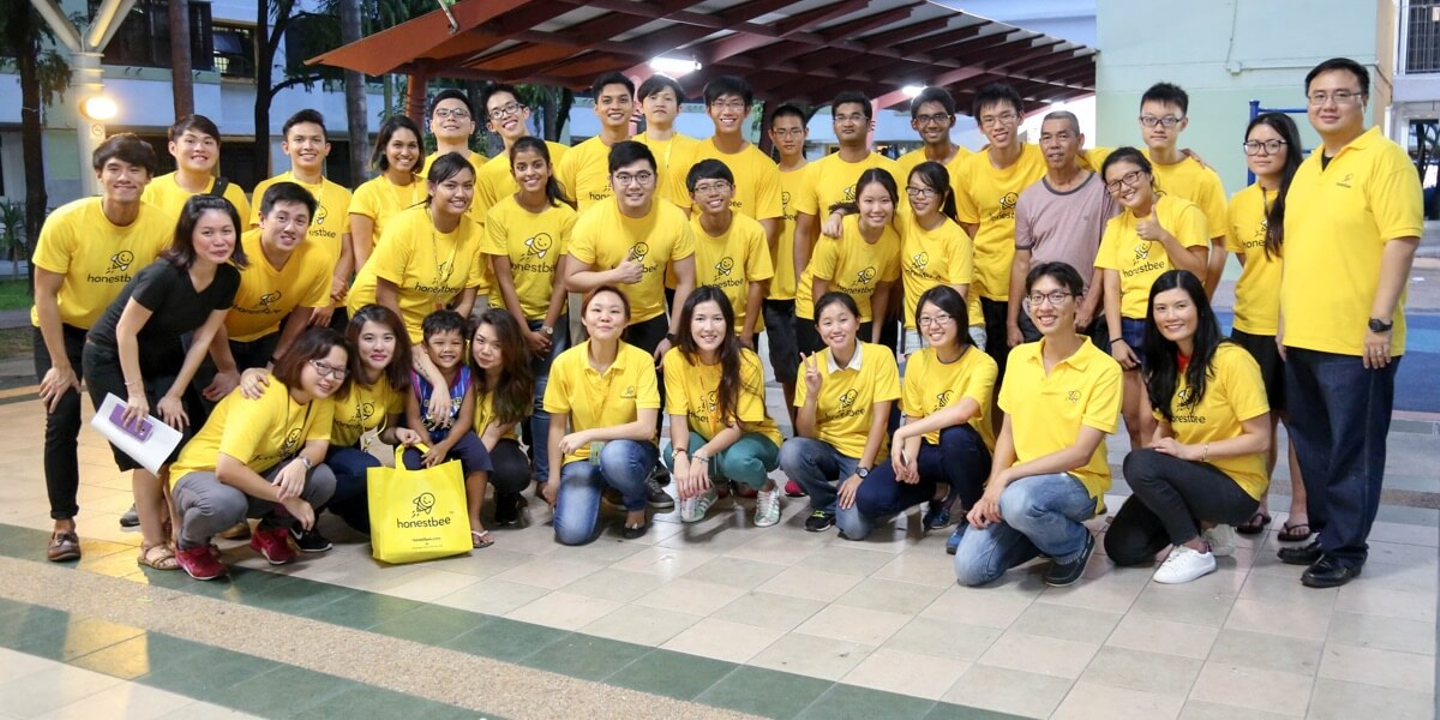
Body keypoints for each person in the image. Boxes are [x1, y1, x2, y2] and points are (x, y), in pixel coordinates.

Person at [1277, 58, 1421, 588]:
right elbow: (1297, 251)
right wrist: (1285, 320)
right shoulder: (1308, 168)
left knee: (1352, 448)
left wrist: (1379, 322)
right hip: (1304, 335)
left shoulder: (1385, 160)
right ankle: (1326, 532)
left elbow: (1401, 241)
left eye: (1341, 94)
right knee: (1313, 445)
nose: (1329, 104)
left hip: (1359, 340)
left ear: (1364, 100)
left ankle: (1346, 548)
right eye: (1318, 95)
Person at [81, 195, 245, 571]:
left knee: (180, 441)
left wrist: (174, 394)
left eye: (226, 231)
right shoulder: (162, 275)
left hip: (162, 356)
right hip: (110, 358)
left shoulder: (227, 278)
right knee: (149, 451)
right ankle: (151, 542)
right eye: (208, 232)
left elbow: (203, 339)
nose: (219, 240)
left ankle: (182, 537)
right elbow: (124, 331)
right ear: (189, 235)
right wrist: (136, 393)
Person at [32, 133, 171, 562]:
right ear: (98, 174)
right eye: (114, 168)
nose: (124, 177)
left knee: (136, 419)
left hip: (120, 334)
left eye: (134, 169)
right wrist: (61, 365)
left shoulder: (161, 224)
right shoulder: (67, 221)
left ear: (148, 178)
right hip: (66, 330)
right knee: (62, 417)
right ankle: (63, 525)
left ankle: (156, 514)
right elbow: (44, 295)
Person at [952, 262, 1121, 587]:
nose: (1045, 306)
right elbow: (1008, 433)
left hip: (1077, 482)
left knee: (1019, 501)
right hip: (1021, 487)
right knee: (971, 569)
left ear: (1078, 302)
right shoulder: (1019, 358)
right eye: (1037, 298)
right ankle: (1040, 532)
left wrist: (1007, 477)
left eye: (1057, 296)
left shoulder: (1104, 369)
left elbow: (1081, 453)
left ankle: (1073, 545)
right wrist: (991, 489)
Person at [1105, 270, 1271, 583]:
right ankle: (1209, 527)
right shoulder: (1164, 365)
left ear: (1200, 309)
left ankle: (1195, 548)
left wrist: (1188, 452)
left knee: (1138, 462)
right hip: (1192, 477)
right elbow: (1165, 428)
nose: (1170, 316)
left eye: (1180, 306)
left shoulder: (1232, 360)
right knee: (1123, 548)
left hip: (1236, 488)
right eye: (1161, 308)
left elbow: (1260, 439)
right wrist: (1156, 467)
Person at [168, 328, 345, 580]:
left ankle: (270, 534)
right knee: (227, 503)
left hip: (251, 474)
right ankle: (189, 546)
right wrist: (287, 499)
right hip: (202, 473)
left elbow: (317, 445)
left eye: (339, 371)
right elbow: (227, 469)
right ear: (300, 359)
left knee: (321, 479)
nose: (330, 378)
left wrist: (301, 463)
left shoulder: (321, 398)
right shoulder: (263, 394)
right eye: (323, 367)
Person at [238, 304, 421, 542]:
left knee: (371, 524)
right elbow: (289, 377)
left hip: (346, 452)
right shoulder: (337, 373)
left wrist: (399, 433)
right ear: (354, 342)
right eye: (369, 338)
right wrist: (250, 373)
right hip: (310, 448)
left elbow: (385, 433)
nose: (379, 346)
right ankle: (288, 518)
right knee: (366, 468)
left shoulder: (393, 381)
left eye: (388, 338)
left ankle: (320, 505)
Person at [843, 286, 994, 541]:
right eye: (925, 319)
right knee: (870, 499)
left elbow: (963, 412)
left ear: (959, 318)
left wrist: (902, 433)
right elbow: (914, 415)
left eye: (942, 317)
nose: (933, 326)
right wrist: (910, 458)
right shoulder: (917, 361)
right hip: (929, 451)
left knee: (954, 435)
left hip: (968, 454)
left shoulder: (982, 362)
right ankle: (939, 491)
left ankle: (970, 512)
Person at [1228, 112, 1309, 541]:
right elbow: (1249, 261)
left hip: (1298, 329)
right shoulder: (1240, 202)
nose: (1261, 152)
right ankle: (1257, 503)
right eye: (1253, 145)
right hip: (1248, 326)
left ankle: (1300, 508)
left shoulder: (1305, 197)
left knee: (1298, 423)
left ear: (1289, 148)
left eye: (1271, 144)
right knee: (1258, 422)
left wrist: (1287, 316)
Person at [1096, 147, 1209, 451]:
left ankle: (1162, 476)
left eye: (1131, 176)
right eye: (1114, 183)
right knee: (1133, 419)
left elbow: (1199, 272)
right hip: (1130, 328)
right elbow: (1111, 288)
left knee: (1155, 420)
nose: (1124, 187)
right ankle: (1142, 478)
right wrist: (1116, 339)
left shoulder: (1183, 211)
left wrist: (1163, 236)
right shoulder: (1115, 226)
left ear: (1148, 174)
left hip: (1169, 326)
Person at [483, 137, 576, 494]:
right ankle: (498, 471)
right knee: (506, 391)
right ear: (513, 172)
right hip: (507, 319)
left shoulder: (565, 215)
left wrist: (547, 328)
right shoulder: (499, 214)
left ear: (549, 168)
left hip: (551, 317)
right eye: (521, 167)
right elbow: (503, 278)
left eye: (537, 165)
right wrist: (522, 331)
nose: (530, 172)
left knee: (544, 396)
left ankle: (542, 473)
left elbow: (563, 279)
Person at [542, 287, 662, 543]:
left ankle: (636, 503)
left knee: (614, 456)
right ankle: (606, 487)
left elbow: (646, 428)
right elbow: (556, 427)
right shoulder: (564, 363)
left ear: (626, 321)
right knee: (571, 534)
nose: (605, 317)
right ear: (584, 319)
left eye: (614, 312)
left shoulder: (641, 361)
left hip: (630, 451)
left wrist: (589, 434)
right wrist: (553, 479)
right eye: (596, 310)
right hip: (584, 456)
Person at [779, 292, 900, 533]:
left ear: (857, 321)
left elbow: (882, 420)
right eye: (827, 323)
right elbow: (805, 433)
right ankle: (826, 503)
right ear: (818, 329)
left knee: (854, 529)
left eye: (843, 320)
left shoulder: (880, 356)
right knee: (790, 452)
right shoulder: (810, 366)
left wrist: (860, 473)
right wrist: (811, 395)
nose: (836, 329)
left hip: (862, 453)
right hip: (826, 450)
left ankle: (865, 494)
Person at [662, 287, 784, 525]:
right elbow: (677, 417)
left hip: (751, 437)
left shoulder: (746, 361)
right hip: (707, 437)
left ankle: (767, 488)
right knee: (672, 453)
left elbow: (738, 426)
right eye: (700, 319)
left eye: (717, 319)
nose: (709, 328)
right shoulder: (675, 359)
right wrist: (681, 454)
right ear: (688, 323)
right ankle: (705, 489)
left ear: (728, 323)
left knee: (736, 461)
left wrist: (703, 454)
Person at [952, 83, 1049, 374]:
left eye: (1006, 116)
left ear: (1020, 117)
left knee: (1036, 370)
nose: (998, 125)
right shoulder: (968, 170)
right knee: (993, 371)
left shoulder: (1043, 157)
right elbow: (971, 229)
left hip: (1036, 283)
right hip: (988, 285)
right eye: (989, 120)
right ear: (981, 127)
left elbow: (1094, 158)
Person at [204, 183, 331, 401]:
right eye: (281, 218)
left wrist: (275, 361)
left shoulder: (318, 258)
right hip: (212, 337)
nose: (290, 228)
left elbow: (301, 314)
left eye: (300, 221)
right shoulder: (232, 255)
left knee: (264, 401)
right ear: (262, 219)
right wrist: (228, 369)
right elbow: (211, 320)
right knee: (219, 405)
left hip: (265, 336)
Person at [793, 91, 902, 337]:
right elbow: (802, 231)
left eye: (855, 116)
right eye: (841, 118)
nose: (848, 122)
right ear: (834, 125)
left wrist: (897, 288)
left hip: (874, 293)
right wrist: (801, 280)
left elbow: (902, 227)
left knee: (875, 357)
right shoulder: (816, 171)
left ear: (869, 123)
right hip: (827, 287)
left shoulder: (893, 170)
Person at [347, 152, 485, 344]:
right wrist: (410, 346)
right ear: (431, 188)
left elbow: (466, 302)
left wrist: (444, 341)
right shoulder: (404, 225)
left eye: (467, 186)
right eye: (451, 185)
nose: (461, 194)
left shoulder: (476, 233)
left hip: (428, 324)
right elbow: (384, 295)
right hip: (379, 314)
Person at [1009, 111, 1118, 349]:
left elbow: (1109, 256)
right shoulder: (1028, 198)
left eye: (1062, 136)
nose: (1054, 145)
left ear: (1079, 141)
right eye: (1047, 138)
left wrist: (1089, 306)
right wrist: (1011, 322)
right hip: (1039, 313)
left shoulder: (1103, 191)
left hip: (1086, 313)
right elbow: (1021, 263)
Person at [402, 310, 497, 549]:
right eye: (439, 343)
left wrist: (444, 446)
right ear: (425, 347)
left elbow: (465, 420)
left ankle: (473, 517)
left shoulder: (467, 375)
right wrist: (429, 447)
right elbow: (412, 418)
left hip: (453, 434)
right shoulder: (414, 377)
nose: (448, 349)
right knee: (413, 464)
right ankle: (431, 519)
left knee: (478, 456)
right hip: (422, 436)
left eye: (455, 343)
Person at [249, 110, 353, 327]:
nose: (308, 146)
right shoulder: (267, 189)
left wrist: (329, 295)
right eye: (299, 140)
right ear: (286, 147)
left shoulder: (343, 195)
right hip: (283, 301)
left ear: (327, 148)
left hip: (332, 303)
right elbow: (259, 245)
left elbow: (348, 251)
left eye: (315, 140)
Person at [667, 76, 783, 245]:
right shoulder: (687, 159)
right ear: (708, 110)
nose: (727, 111)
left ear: (747, 110)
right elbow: (681, 223)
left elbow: (766, 230)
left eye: (735, 104)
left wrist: (740, 258)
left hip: (744, 257)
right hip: (698, 256)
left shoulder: (766, 167)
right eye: (719, 104)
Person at [1137, 83, 1229, 297]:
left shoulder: (1205, 177)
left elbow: (1220, 246)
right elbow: (1075, 151)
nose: (1158, 128)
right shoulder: (1128, 166)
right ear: (1140, 122)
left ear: (1183, 124)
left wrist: (1205, 297)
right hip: (1135, 295)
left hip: (1182, 292)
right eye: (1150, 119)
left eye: (1169, 120)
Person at [795, 169, 900, 353]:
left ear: (895, 203)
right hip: (816, 306)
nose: (877, 209)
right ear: (858, 203)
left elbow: (882, 292)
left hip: (859, 309)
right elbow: (819, 286)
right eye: (869, 201)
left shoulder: (893, 242)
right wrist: (827, 330)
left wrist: (874, 339)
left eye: (885, 201)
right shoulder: (836, 233)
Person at [685, 159, 774, 348]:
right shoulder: (685, 234)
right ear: (692, 196)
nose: (713, 193)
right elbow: (684, 287)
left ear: (733, 190)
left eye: (720, 185)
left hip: (742, 327)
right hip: (702, 327)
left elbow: (757, 283)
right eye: (704, 188)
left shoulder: (752, 230)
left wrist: (747, 334)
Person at [764, 104, 812, 430]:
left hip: (811, 291)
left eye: (795, 131)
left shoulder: (817, 174)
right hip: (773, 290)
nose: (789, 138)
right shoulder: (767, 177)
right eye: (781, 132)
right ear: (771, 135)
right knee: (785, 370)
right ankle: (797, 434)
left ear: (806, 133)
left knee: (814, 369)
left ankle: (817, 436)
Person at [471, 309, 536, 527]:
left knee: (512, 473)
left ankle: (508, 494)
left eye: (497, 345)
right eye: (480, 341)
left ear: (511, 348)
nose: (485, 351)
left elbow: (490, 436)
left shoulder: (520, 385)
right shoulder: (461, 364)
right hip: (458, 437)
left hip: (495, 441)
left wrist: (465, 472)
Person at [472, 83, 570, 220]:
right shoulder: (486, 175)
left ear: (525, 112)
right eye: (496, 113)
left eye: (510, 107)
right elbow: (485, 224)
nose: (506, 115)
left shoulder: (565, 154)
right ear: (491, 126)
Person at [350, 115, 426, 272]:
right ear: (384, 148)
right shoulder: (366, 194)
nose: (405, 152)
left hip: (428, 282)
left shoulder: (431, 189)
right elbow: (363, 262)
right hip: (383, 282)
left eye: (412, 146)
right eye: (398, 145)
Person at [141, 114, 251, 222]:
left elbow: (246, 234)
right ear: (173, 148)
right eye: (190, 141)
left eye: (207, 142)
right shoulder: (149, 191)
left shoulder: (233, 193)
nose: (199, 148)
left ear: (218, 150)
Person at [556, 72, 635, 212]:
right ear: (596, 109)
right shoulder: (574, 157)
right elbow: (564, 209)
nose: (615, 106)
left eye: (623, 100)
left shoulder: (650, 157)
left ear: (633, 107)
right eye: (607, 101)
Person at [633, 74, 700, 207]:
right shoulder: (630, 147)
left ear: (678, 109)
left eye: (667, 98)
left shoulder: (696, 148)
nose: (660, 103)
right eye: (653, 98)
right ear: (640, 107)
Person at [895, 86, 971, 196]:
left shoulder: (971, 164)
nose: (932, 125)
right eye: (924, 118)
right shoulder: (902, 166)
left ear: (952, 121)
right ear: (914, 124)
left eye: (939, 117)